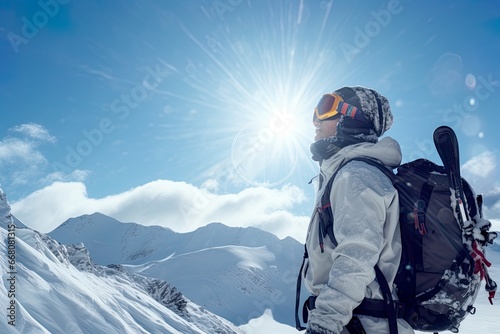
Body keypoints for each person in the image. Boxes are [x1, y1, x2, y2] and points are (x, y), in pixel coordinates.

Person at [301, 86, 414, 333]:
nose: (316, 121)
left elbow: (357, 256)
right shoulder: (349, 173)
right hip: (357, 321)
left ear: (352, 118)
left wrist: (325, 323)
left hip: (362, 324)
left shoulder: (356, 175)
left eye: (325, 108)